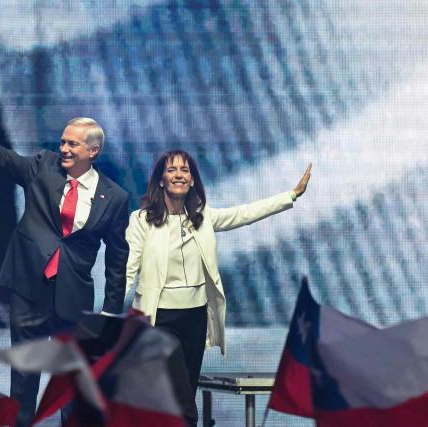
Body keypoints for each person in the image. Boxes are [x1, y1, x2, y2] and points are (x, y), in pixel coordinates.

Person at [0, 78, 130, 426]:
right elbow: (0, 157)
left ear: (92, 151)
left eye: (72, 144)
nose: (64, 148)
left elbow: (118, 258)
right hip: (29, 288)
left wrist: (108, 314)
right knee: (24, 380)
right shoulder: (41, 166)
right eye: (62, 141)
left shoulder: (114, 197)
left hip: (74, 297)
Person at [125, 150, 312, 426]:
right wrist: (107, 318)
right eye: (172, 169)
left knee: (185, 389)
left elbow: (245, 213)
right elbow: (128, 269)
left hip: (195, 317)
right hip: (159, 319)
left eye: (185, 170)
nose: (179, 174)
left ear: (192, 181)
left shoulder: (203, 217)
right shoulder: (141, 220)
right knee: (182, 399)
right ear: (161, 180)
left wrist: (291, 194)